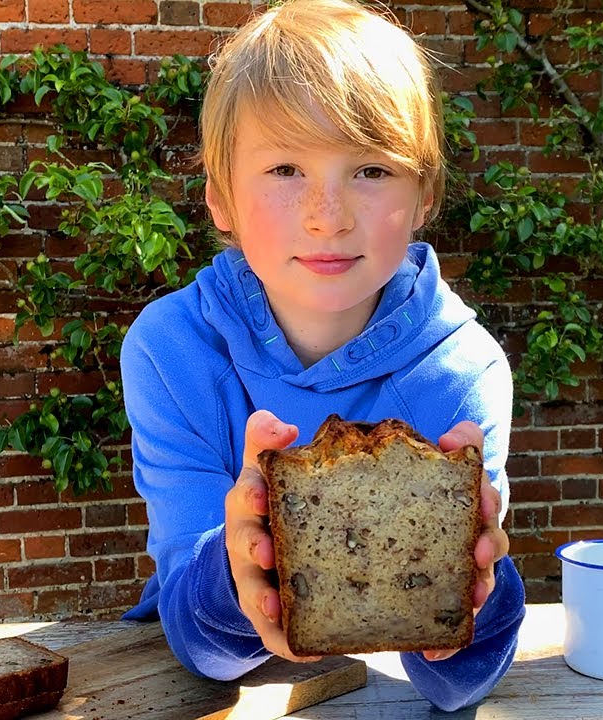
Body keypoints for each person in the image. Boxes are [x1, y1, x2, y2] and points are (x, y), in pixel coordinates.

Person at [119, 0, 525, 711]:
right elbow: (205, 652)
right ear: (221, 198)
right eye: (284, 168)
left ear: (424, 193)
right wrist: (237, 562)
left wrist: (481, 589)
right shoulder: (171, 351)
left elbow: (457, 683)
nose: (327, 215)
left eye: (370, 169)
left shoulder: (465, 373)